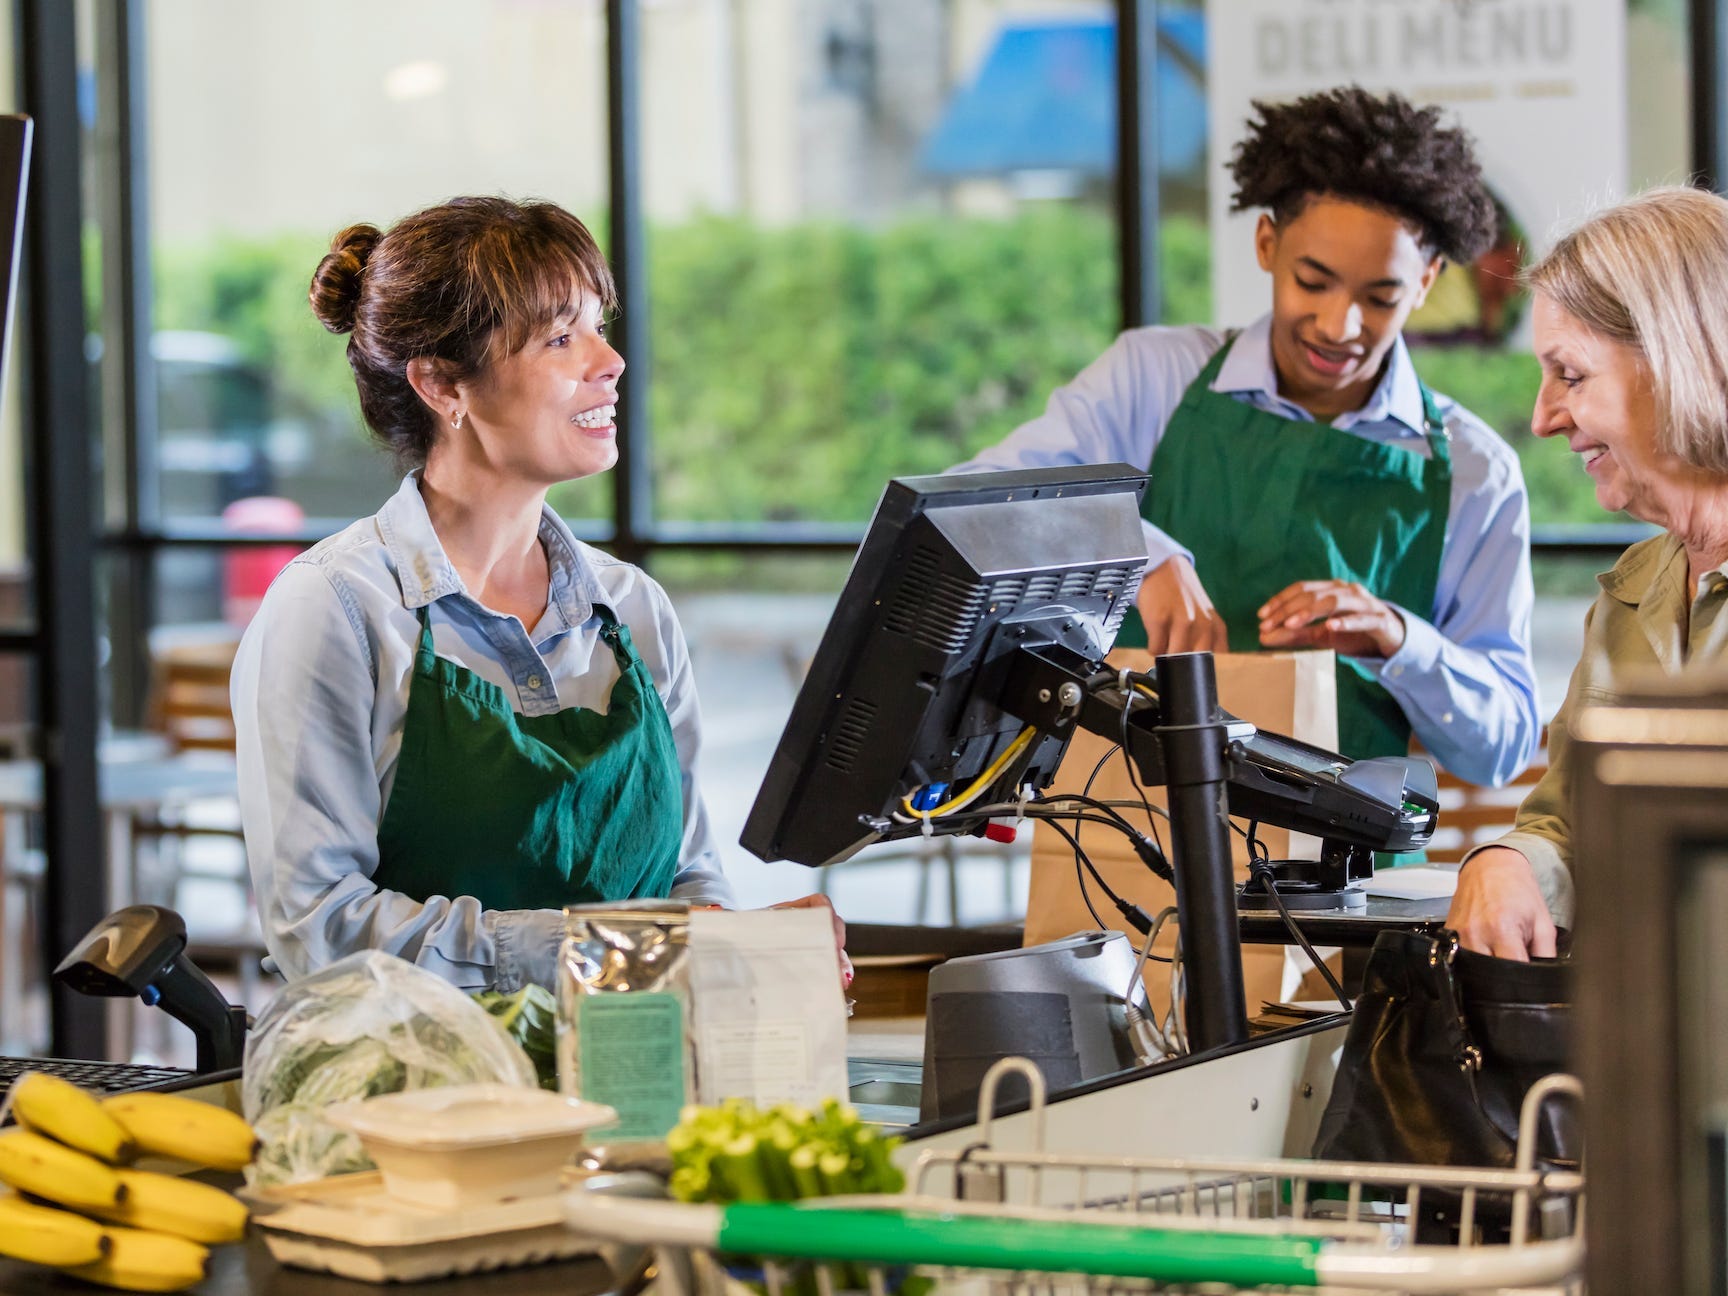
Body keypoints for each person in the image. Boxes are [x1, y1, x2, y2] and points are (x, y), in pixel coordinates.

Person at [232, 196, 844, 991]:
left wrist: (742, 950)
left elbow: (690, 882)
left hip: (640, 1083)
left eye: (599, 325)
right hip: (416, 1096)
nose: (610, 360)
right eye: (561, 338)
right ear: (443, 385)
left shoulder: (634, 610)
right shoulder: (337, 610)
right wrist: (614, 951)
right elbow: (321, 927)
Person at [957, 87, 1539, 786]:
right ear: (1267, 244)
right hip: (1116, 846)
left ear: (1426, 283)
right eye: (1312, 281)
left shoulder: (1478, 473)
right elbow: (972, 509)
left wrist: (1400, 640)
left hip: (1347, 887)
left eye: (1379, 297)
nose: (1339, 326)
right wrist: (1138, 552)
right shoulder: (1153, 378)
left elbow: (1502, 751)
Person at [1446, 185, 1728, 959]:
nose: (1541, 418)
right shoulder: (1632, 592)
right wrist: (1509, 861)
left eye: (1569, 376)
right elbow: (1570, 820)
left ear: (1681, 361)